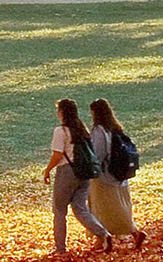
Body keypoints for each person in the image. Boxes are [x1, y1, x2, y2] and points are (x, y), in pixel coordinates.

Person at [42, 98, 113, 254]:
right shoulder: (83, 129)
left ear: (61, 112)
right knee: (80, 208)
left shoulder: (61, 131)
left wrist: (47, 170)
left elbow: (57, 154)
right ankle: (103, 233)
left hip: (67, 172)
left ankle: (60, 248)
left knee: (59, 210)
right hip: (84, 173)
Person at [88, 99, 148, 249]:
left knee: (102, 208)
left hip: (104, 176)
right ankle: (134, 233)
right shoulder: (116, 129)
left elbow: (98, 154)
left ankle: (102, 239)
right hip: (120, 176)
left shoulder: (100, 130)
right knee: (120, 207)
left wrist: (92, 170)